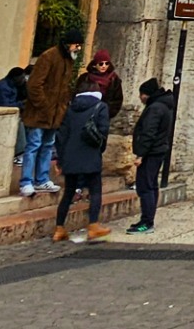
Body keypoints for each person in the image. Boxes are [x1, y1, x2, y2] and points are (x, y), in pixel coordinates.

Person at [19, 29, 82, 197]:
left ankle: (42, 179)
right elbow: (34, 85)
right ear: (68, 44)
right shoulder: (48, 57)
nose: (78, 49)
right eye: (77, 45)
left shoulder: (68, 61)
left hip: (55, 114)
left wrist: (61, 106)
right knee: (33, 145)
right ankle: (26, 181)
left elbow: (64, 87)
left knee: (47, 146)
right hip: (41, 113)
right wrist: (44, 105)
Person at [52, 84, 111, 243]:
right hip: (90, 154)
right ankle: (93, 226)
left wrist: (60, 158)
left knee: (68, 193)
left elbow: (62, 134)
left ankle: (59, 228)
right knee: (95, 190)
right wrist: (99, 150)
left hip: (70, 156)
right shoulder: (101, 106)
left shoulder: (71, 108)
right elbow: (103, 131)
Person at [128, 78, 175, 234]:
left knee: (146, 186)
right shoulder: (163, 106)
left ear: (146, 94)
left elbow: (149, 132)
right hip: (158, 150)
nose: (140, 98)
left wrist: (140, 155)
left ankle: (147, 222)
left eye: (141, 94)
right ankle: (147, 219)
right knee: (151, 185)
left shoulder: (155, 108)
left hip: (152, 152)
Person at [82, 49, 124, 119]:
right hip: (85, 115)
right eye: (101, 64)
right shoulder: (85, 78)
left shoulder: (114, 79)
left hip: (103, 116)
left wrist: (107, 113)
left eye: (107, 63)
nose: (104, 66)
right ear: (95, 64)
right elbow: (77, 95)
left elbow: (117, 100)